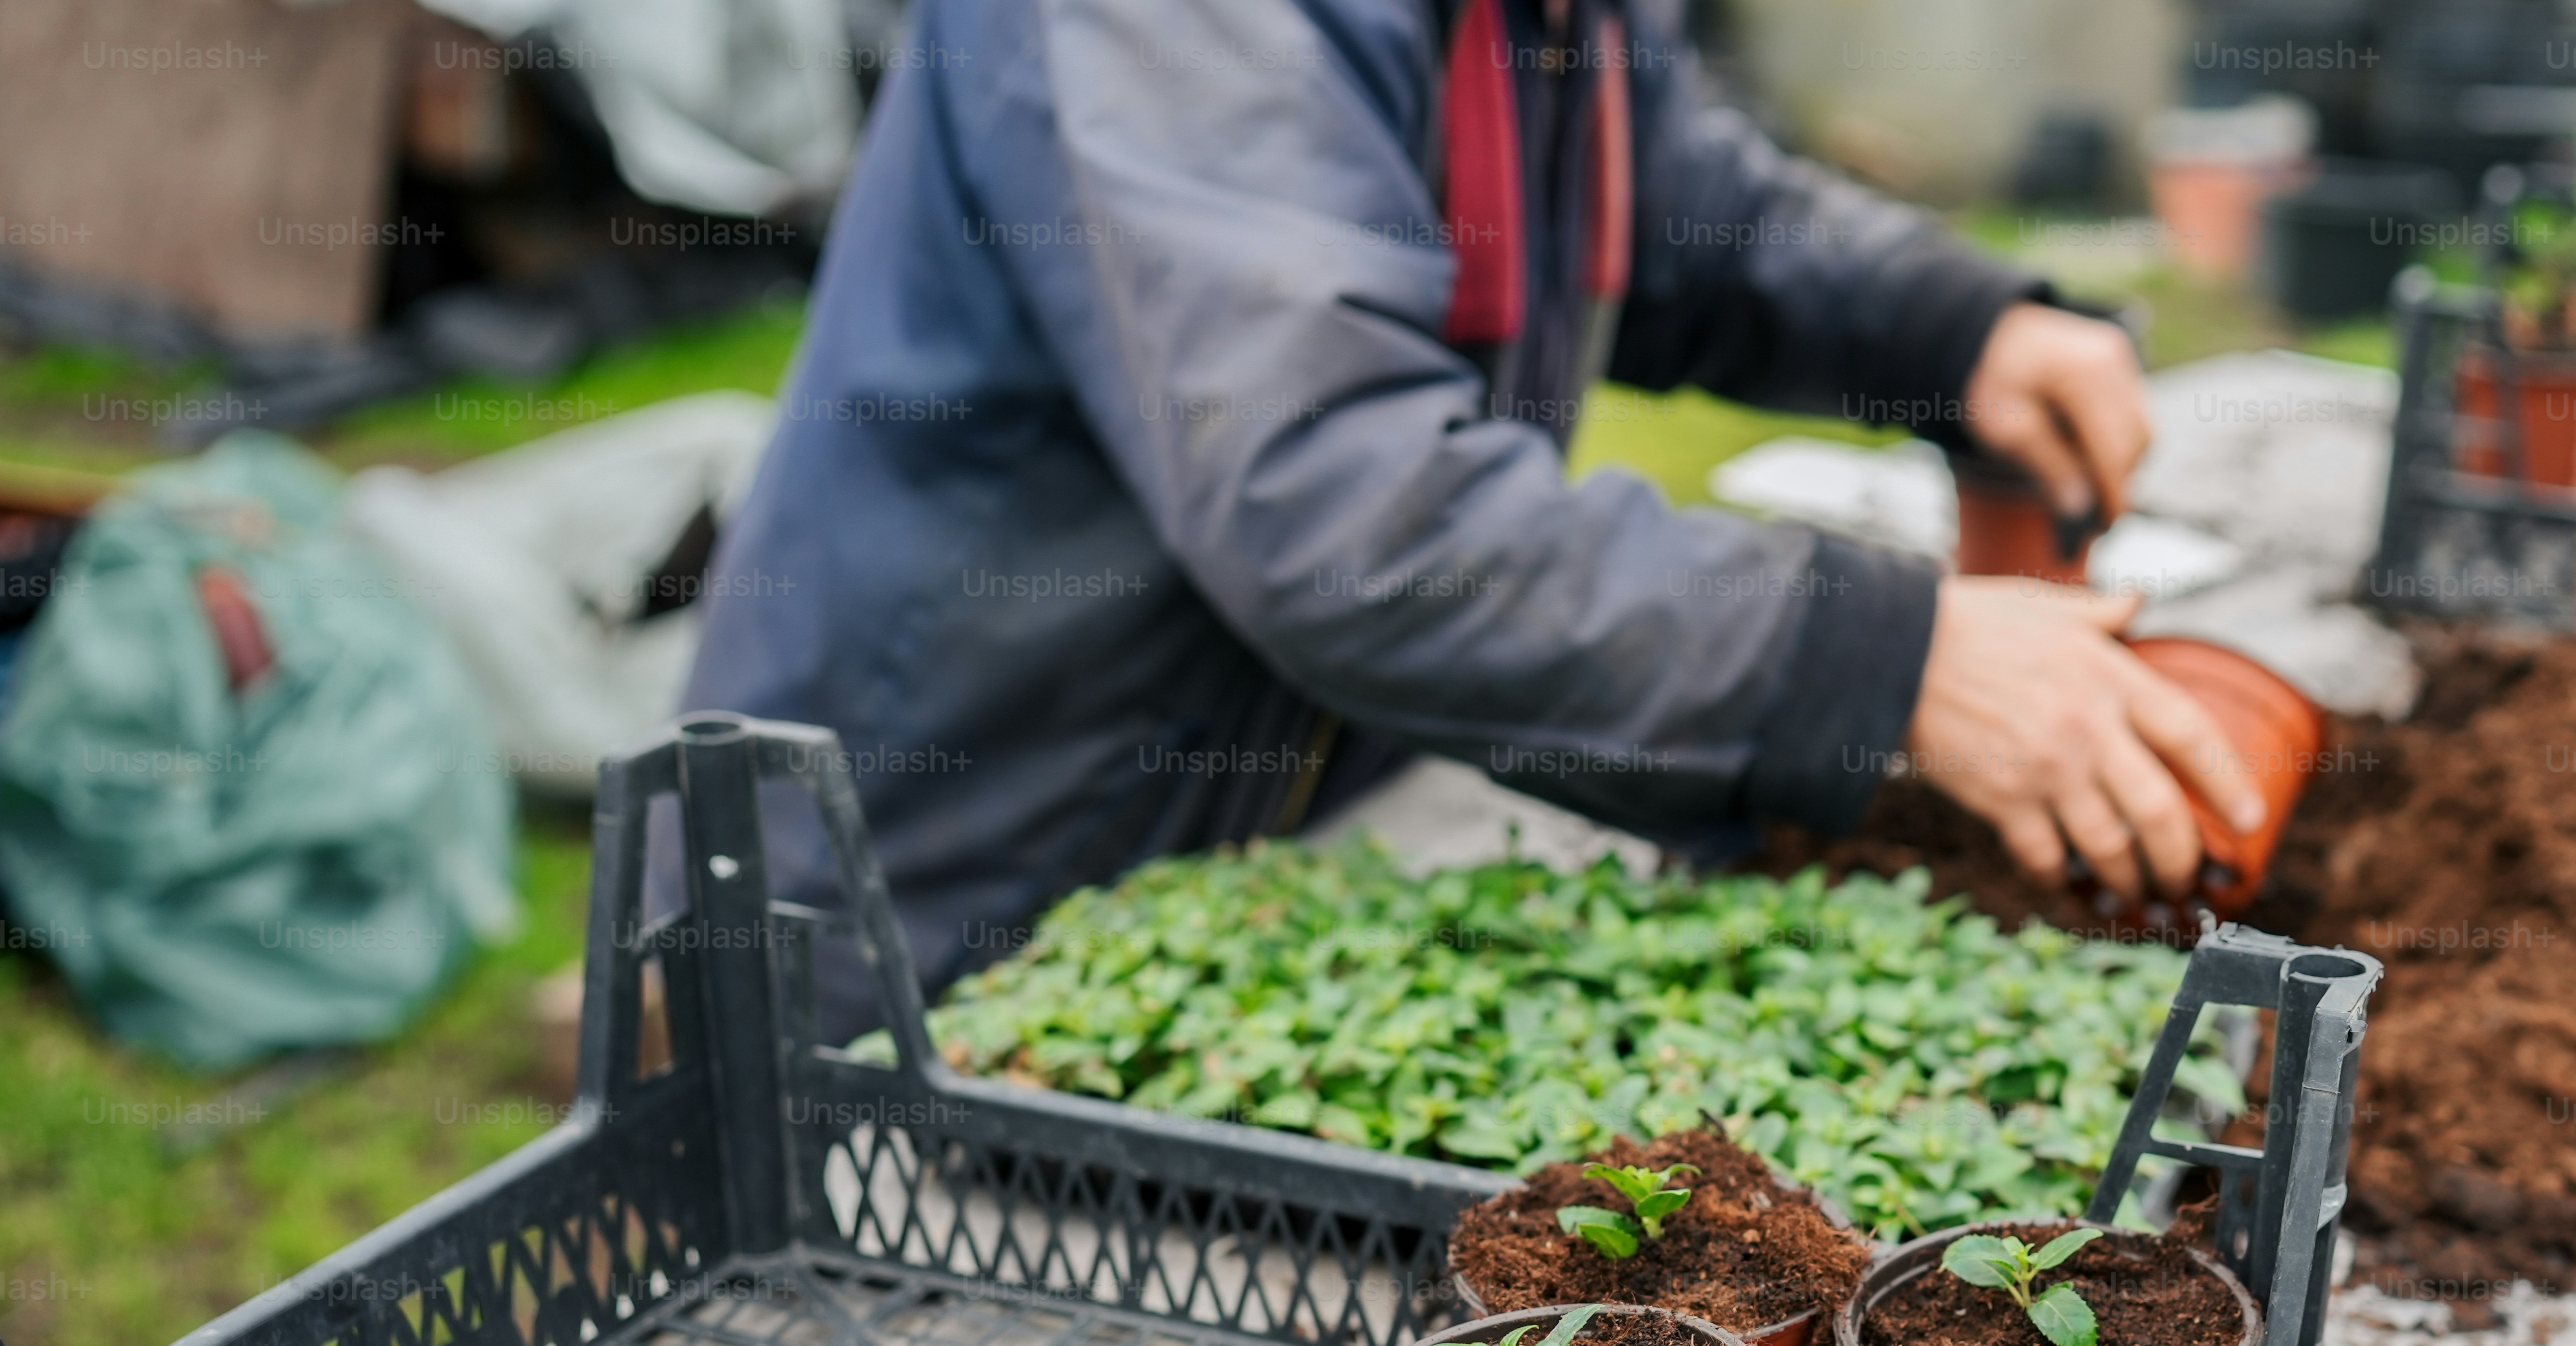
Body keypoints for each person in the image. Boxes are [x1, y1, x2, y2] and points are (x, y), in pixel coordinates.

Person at [686, 0, 2262, 1033]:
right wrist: (1896, 663)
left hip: (1240, 831)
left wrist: (1951, 327)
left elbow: (1674, 205)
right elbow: (1341, 500)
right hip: (932, 891)